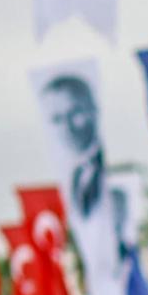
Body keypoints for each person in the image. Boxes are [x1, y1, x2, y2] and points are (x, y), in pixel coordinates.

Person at [40, 75, 104, 218]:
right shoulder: (68, 176)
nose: (66, 127)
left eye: (74, 113)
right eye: (57, 119)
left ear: (93, 110)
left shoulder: (109, 167)